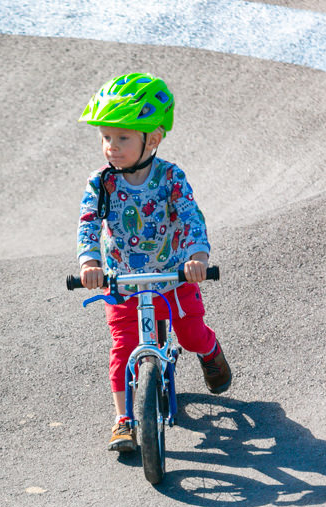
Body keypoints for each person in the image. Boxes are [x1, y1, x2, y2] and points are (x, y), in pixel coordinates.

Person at [76, 73, 232, 452]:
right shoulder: (101, 184)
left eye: (123, 137)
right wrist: (89, 264)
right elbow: (88, 224)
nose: (112, 147)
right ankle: (124, 420)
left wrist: (197, 257)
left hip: (172, 275)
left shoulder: (170, 177)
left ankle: (210, 352)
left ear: (154, 138)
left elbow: (190, 215)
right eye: (106, 137)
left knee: (191, 334)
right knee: (122, 347)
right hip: (123, 281)